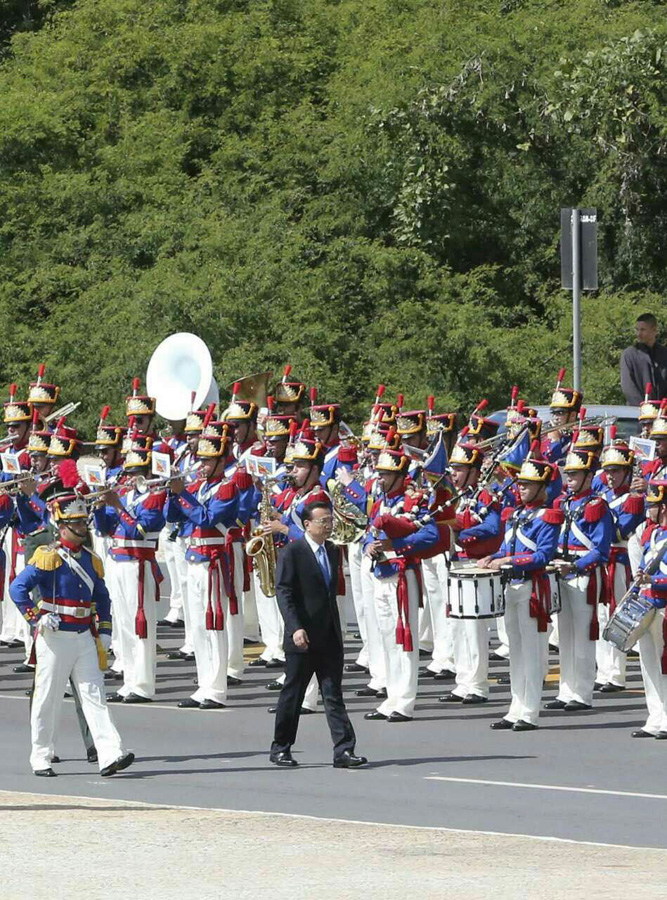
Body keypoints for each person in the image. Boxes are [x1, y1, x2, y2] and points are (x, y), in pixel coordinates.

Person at [9, 492, 133, 777]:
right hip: (55, 637)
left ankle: (110, 754)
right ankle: (41, 755)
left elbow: (102, 597)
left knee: (95, 696)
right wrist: (36, 618)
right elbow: (17, 588)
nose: (82, 527)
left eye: (82, 521)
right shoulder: (48, 556)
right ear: (62, 526)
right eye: (75, 523)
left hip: (84, 635)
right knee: (48, 698)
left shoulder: (90, 559)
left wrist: (105, 629)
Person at [270, 501, 367, 768]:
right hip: (303, 636)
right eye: (323, 521)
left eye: (330, 520)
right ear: (307, 525)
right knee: (293, 694)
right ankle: (281, 748)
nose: (328, 525)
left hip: (328, 634)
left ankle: (344, 750)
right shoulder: (293, 552)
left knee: (333, 694)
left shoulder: (333, 550)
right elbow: (284, 593)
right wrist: (295, 627)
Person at [480, 446, 562, 731]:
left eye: (528, 484)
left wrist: (508, 560)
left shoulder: (548, 517)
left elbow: (542, 556)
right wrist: (491, 557)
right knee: (515, 650)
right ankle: (515, 706)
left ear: (542, 487)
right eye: (521, 483)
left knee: (532, 652)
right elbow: (507, 548)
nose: (522, 488)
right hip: (511, 586)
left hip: (532, 588)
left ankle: (530, 711)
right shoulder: (515, 515)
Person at [631, 478, 667, 739]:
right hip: (647, 604)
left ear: (663, 507)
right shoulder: (652, 534)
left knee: (665, 665)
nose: (648, 510)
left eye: (652, 505)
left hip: (665, 606)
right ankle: (655, 717)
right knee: (648, 665)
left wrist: (652, 581)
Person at [620, 313, 667, 406]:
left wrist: (663, 407)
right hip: (637, 411)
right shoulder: (629, 355)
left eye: (643, 330)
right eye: (637, 329)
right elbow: (628, 387)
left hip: (663, 410)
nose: (639, 334)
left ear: (654, 330)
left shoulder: (664, 353)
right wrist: (643, 408)